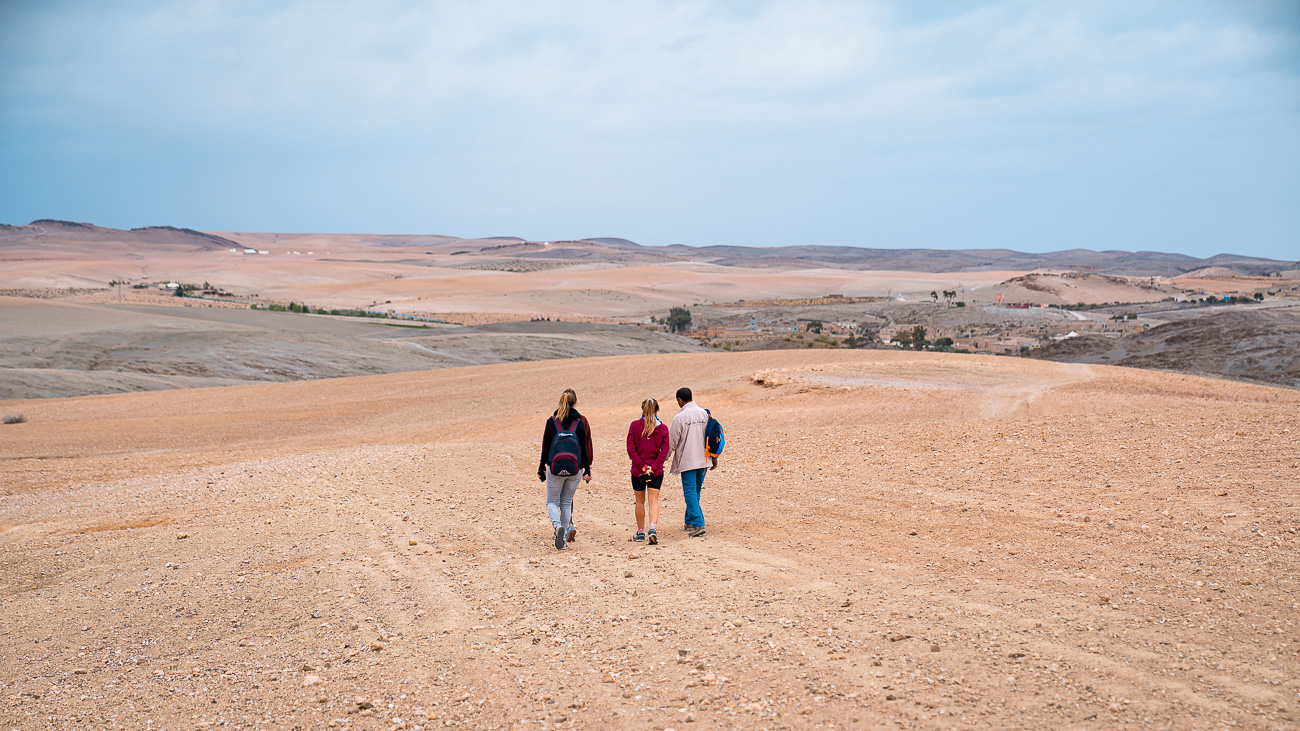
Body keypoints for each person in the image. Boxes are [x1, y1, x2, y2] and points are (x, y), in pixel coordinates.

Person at [538, 390, 591, 549]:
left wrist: (541, 467)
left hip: (555, 468)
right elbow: (584, 449)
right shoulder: (579, 423)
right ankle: (564, 529)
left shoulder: (552, 422)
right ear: (574, 403)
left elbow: (546, 447)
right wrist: (587, 470)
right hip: (575, 469)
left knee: (552, 501)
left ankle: (557, 527)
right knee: (566, 502)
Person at [669, 386, 713, 537]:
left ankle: (698, 523)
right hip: (704, 460)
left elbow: (671, 442)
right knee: (695, 491)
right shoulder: (704, 413)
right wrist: (714, 458)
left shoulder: (679, 418)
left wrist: (662, 459)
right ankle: (689, 521)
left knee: (689, 492)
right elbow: (711, 436)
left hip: (688, 461)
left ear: (680, 400)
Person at [626, 397, 670, 544]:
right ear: (657, 410)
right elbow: (664, 452)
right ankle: (652, 528)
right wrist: (654, 467)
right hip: (655, 471)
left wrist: (643, 466)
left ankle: (640, 532)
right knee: (653, 500)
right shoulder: (663, 429)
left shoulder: (635, 426)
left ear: (642, 410)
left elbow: (631, 450)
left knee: (639, 501)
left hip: (638, 470)